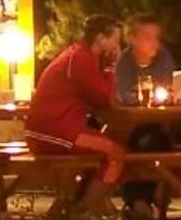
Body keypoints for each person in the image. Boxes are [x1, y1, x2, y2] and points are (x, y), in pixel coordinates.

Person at [24, 14, 127, 199]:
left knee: (109, 149)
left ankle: (74, 209)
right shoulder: (81, 59)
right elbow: (104, 100)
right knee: (115, 154)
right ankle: (84, 213)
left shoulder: (79, 55)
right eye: (115, 41)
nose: (117, 47)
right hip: (53, 132)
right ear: (101, 39)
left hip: (58, 129)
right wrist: (111, 66)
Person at [114, 14, 179, 220]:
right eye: (147, 37)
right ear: (132, 38)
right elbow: (122, 94)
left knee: (154, 142)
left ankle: (139, 203)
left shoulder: (163, 58)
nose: (154, 42)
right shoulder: (124, 62)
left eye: (156, 37)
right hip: (131, 125)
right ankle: (138, 202)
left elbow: (171, 87)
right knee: (135, 144)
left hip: (161, 123)